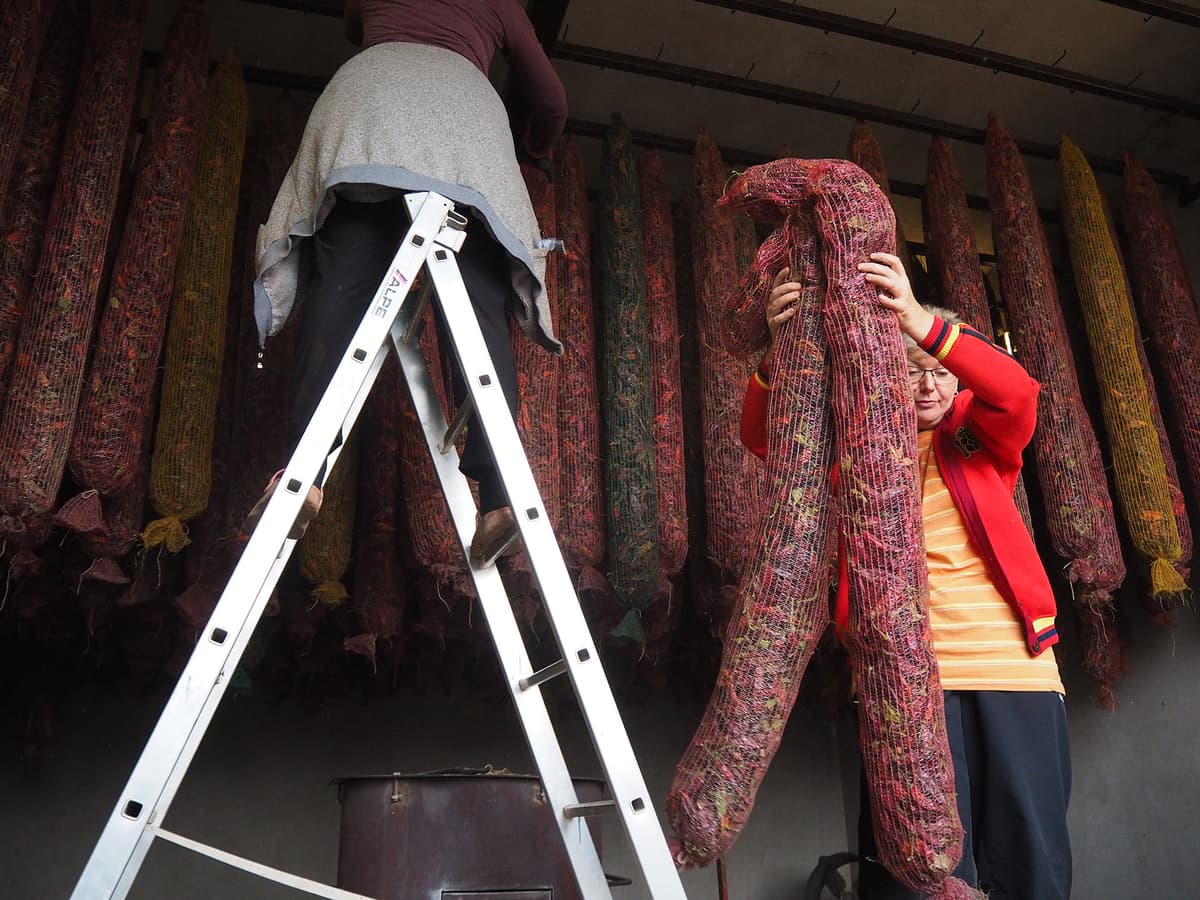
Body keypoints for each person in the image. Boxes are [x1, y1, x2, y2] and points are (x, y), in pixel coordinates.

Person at [741, 253, 1072, 899]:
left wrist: (920, 322)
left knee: (1027, 861)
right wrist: (780, 356)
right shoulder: (850, 450)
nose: (928, 387)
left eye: (940, 372)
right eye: (910, 370)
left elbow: (1017, 392)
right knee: (914, 874)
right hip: (899, 682)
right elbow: (765, 438)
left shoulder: (978, 437)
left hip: (1012, 672)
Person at [250, 0, 567, 564]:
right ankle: (500, 499)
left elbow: (356, 27)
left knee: (341, 288)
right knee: (478, 306)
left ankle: (302, 474)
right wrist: (534, 149)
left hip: (369, 111)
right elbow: (550, 100)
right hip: (466, 127)